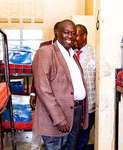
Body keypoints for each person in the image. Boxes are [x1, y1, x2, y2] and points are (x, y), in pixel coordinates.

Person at [32, 19, 89, 150]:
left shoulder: (72, 54)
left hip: (76, 112)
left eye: (73, 33)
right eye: (66, 32)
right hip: (56, 116)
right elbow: (43, 88)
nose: (70, 36)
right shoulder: (46, 52)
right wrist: (59, 119)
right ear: (57, 32)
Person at [30, 21, 60, 150]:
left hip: (60, 95)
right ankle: (35, 147)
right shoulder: (44, 46)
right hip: (43, 92)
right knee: (40, 121)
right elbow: (37, 73)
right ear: (56, 32)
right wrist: (33, 93)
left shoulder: (70, 49)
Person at [74, 24, 96, 150]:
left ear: (84, 36)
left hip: (89, 104)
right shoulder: (70, 54)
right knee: (72, 136)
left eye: (75, 35)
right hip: (72, 105)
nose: (72, 38)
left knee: (83, 135)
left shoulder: (95, 53)